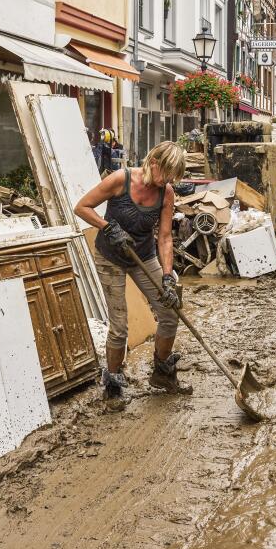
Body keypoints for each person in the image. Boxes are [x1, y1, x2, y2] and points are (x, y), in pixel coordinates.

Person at [74, 141, 188, 399]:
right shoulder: (121, 179)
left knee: (170, 313)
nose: (168, 180)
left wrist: (168, 277)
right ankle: (113, 385)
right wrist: (108, 227)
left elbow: (165, 237)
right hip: (110, 256)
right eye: (167, 172)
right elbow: (81, 207)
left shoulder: (166, 192)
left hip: (143, 256)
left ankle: (162, 373)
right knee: (120, 326)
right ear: (154, 162)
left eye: (173, 176)